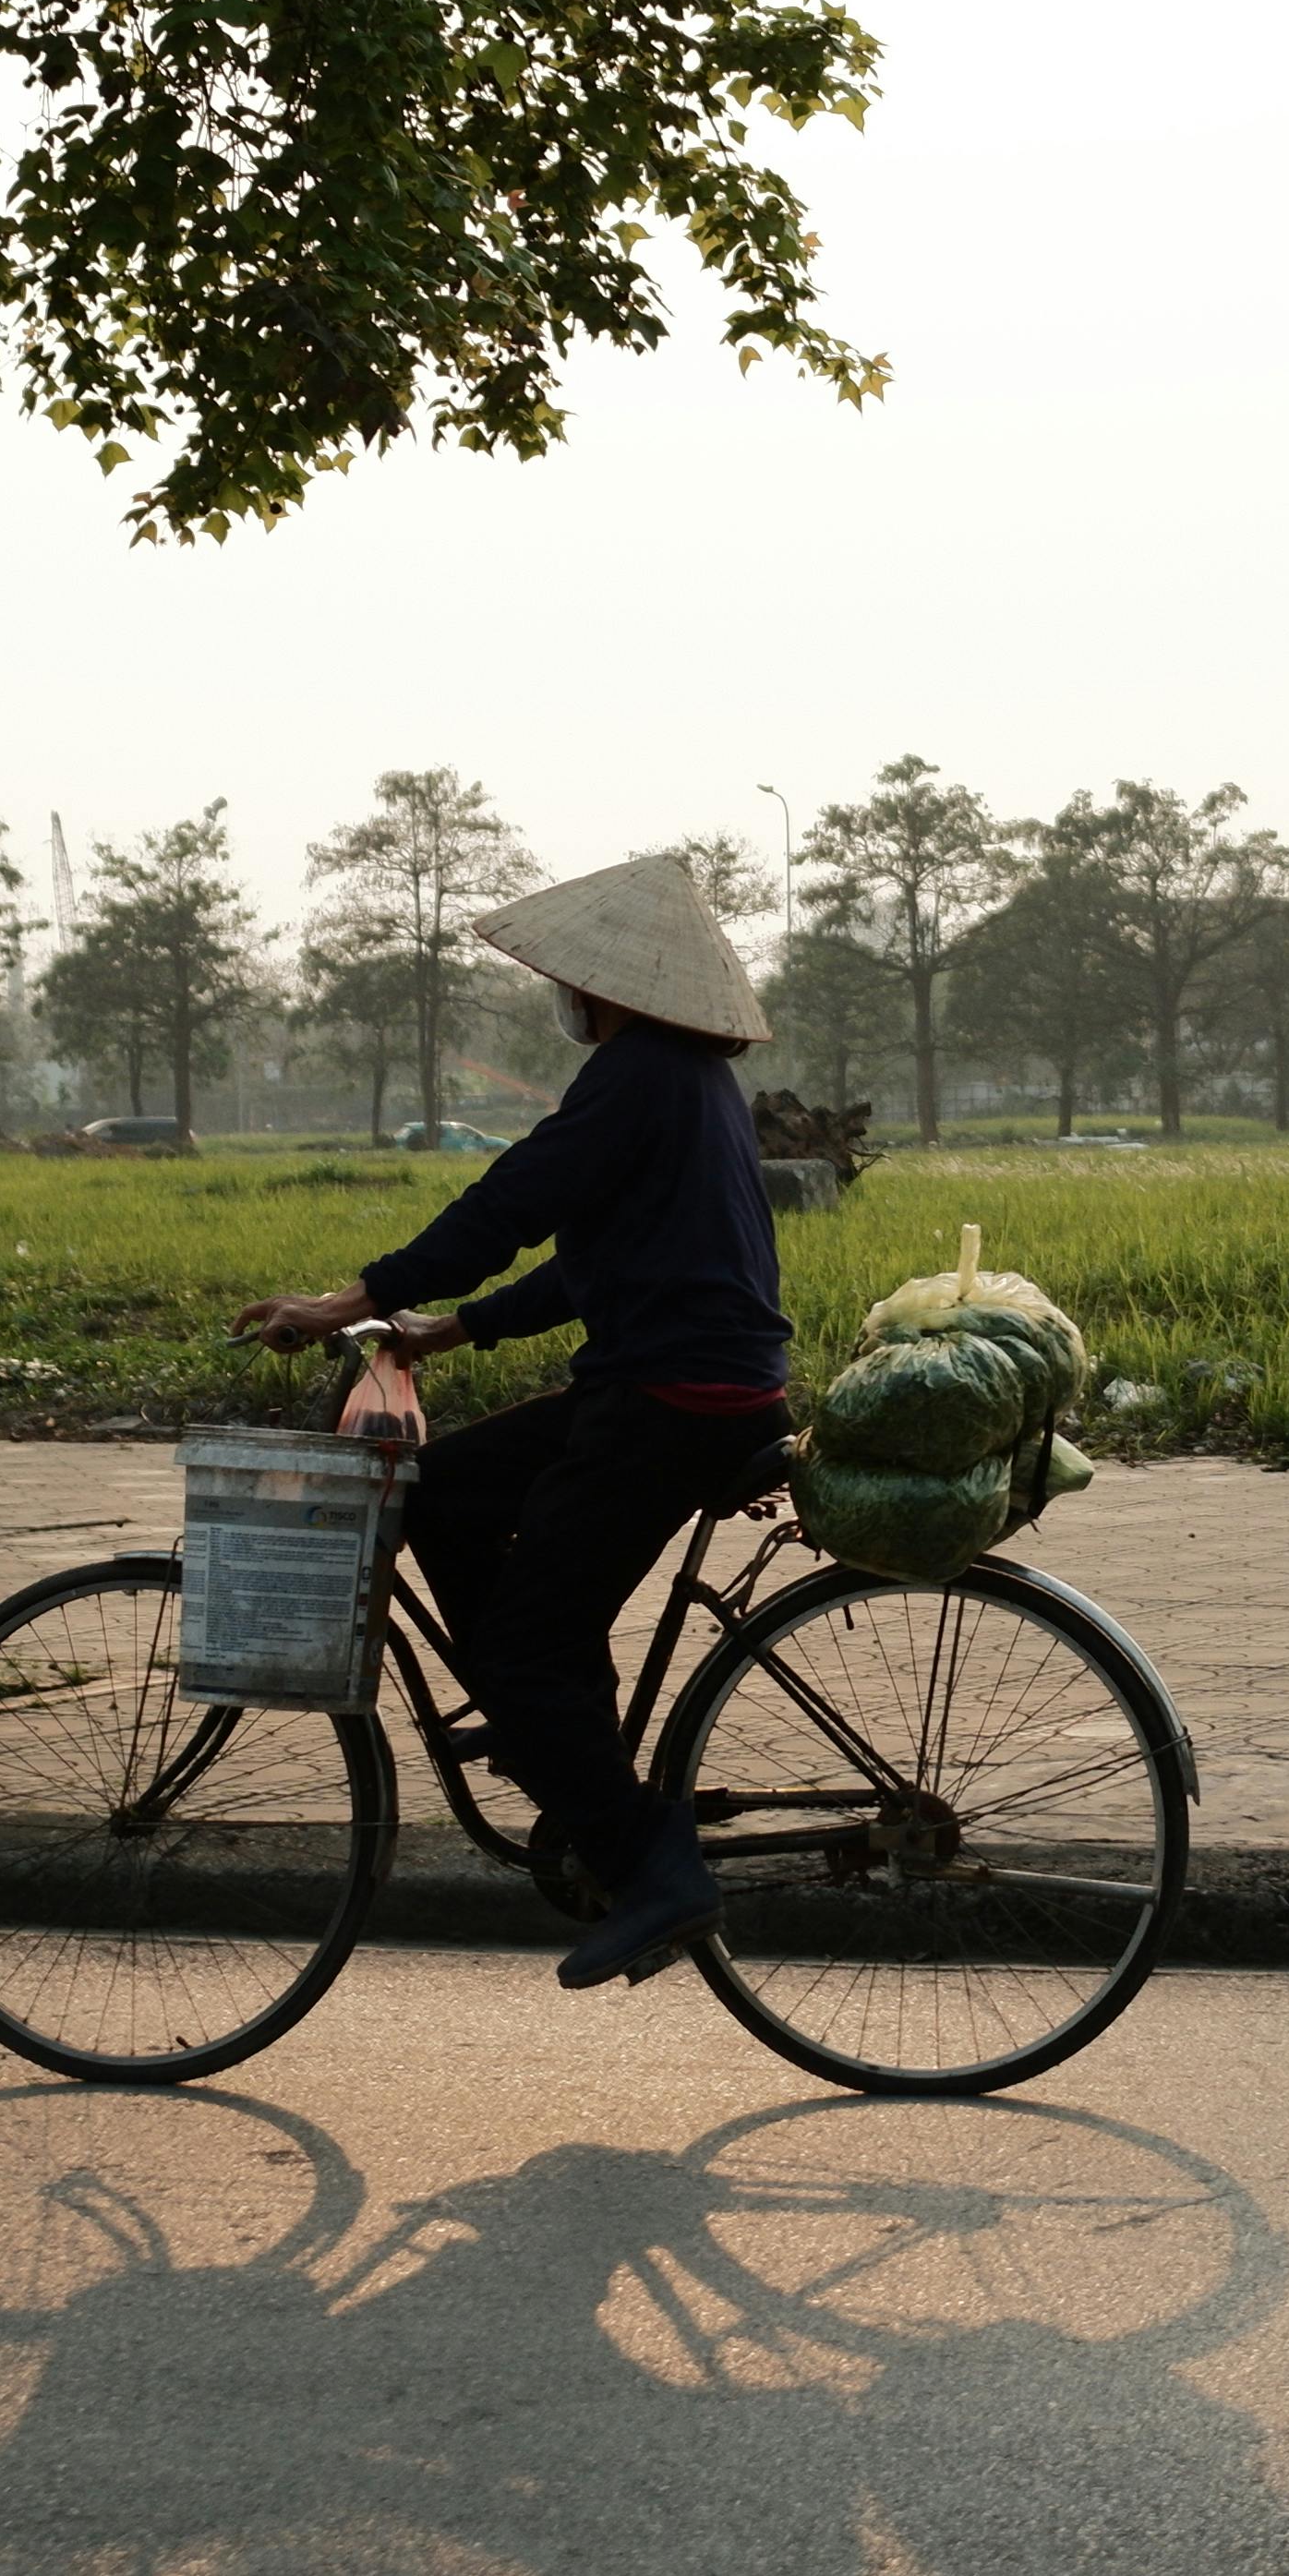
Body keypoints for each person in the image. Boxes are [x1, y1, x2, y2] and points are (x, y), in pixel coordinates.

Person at [239, 852, 789, 1992]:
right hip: (675, 1383)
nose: (565, 999)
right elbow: (593, 1256)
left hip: (671, 1404)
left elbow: (515, 1203)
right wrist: (462, 1329)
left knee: (522, 1650)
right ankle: (559, 1735)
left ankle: (648, 1857)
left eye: (575, 982)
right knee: (438, 1492)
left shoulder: (641, 1074)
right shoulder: (686, 1081)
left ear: (615, 989)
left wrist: (354, 1299)